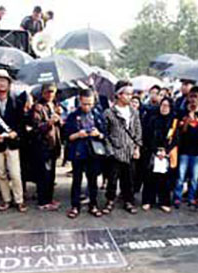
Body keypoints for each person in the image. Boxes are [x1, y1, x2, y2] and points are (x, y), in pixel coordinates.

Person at [0, 70, 27, 213]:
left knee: (15, 173)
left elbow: (22, 123)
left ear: (9, 83)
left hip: (12, 143)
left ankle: (19, 200)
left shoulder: (17, 102)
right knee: (0, 174)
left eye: (4, 80)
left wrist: (15, 133)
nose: (1, 83)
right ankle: (6, 199)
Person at [63, 89, 106, 218]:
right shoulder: (72, 116)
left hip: (93, 152)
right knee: (77, 180)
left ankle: (93, 205)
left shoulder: (98, 114)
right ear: (80, 101)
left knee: (93, 181)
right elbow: (67, 137)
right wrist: (78, 134)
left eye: (90, 104)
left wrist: (98, 134)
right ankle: (75, 206)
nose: (87, 107)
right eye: (85, 104)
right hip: (78, 151)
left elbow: (105, 134)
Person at [103, 80, 142, 215]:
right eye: (127, 94)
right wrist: (110, 151)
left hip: (130, 151)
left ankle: (128, 201)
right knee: (112, 179)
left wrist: (137, 148)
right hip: (115, 150)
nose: (130, 97)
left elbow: (138, 131)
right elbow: (105, 134)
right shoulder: (109, 112)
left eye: (131, 94)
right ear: (119, 95)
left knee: (129, 179)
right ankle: (110, 201)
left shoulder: (134, 112)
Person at [174, 87, 198, 208]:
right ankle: (177, 197)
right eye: (191, 96)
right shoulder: (182, 112)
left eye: (196, 96)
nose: (193, 99)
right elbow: (180, 131)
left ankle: (192, 197)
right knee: (180, 176)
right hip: (184, 149)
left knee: (195, 177)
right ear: (188, 98)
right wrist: (187, 120)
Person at [30, 82, 62, 211]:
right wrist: (49, 122)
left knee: (51, 175)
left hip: (53, 145)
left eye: (52, 92)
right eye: (47, 92)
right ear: (42, 93)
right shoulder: (37, 107)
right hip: (43, 146)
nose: (50, 94)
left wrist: (59, 120)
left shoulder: (54, 106)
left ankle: (49, 198)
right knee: (44, 175)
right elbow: (35, 127)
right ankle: (43, 201)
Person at [142, 97, 178, 212]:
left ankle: (164, 202)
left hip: (166, 153)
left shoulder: (173, 121)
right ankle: (148, 201)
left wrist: (165, 151)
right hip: (153, 152)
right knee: (149, 178)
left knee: (165, 179)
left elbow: (176, 138)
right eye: (162, 105)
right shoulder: (153, 119)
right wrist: (156, 151)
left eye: (167, 106)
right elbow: (147, 137)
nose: (164, 108)